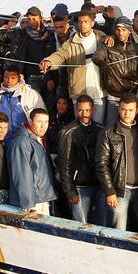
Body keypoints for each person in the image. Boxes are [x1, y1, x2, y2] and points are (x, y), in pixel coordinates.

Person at [36, 7, 106, 119]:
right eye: (80, 22)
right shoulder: (72, 41)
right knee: (80, 126)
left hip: (99, 92)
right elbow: (60, 55)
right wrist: (49, 61)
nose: (82, 25)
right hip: (78, 92)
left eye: (85, 22)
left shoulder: (101, 37)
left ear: (92, 23)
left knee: (98, 125)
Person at [96, 94, 138, 231]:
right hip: (119, 191)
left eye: (131, 110)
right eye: (124, 109)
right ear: (119, 109)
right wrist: (110, 191)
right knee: (119, 230)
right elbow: (101, 164)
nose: (127, 113)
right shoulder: (108, 132)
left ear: (137, 110)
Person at [59, 95, 103, 224]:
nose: (84, 113)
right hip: (78, 187)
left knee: (101, 224)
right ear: (76, 110)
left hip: (98, 186)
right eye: (80, 110)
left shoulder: (101, 130)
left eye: (87, 110)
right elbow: (64, 164)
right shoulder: (68, 132)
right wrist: (70, 191)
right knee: (80, 225)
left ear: (93, 110)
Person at [92, 15, 138, 126]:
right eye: (118, 30)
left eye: (124, 30)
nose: (120, 33)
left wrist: (137, 82)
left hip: (131, 95)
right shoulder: (109, 45)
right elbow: (96, 56)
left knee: (131, 126)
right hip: (114, 95)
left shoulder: (137, 49)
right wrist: (102, 63)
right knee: (111, 126)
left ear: (129, 31)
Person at [8, 108, 57, 216]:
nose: (43, 126)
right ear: (30, 122)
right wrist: (28, 203)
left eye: (46, 122)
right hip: (33, 202)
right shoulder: (22, 142)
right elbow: (21, 174)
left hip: (42, 197)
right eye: (39, 122)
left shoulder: (38, 139)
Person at [0, 65, 46, 144]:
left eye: (13, 78)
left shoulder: (31, 94)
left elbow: (43, 117)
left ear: (19, 78)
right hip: (2, 142)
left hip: (26, 142)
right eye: (6, 77)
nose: (9, 81)